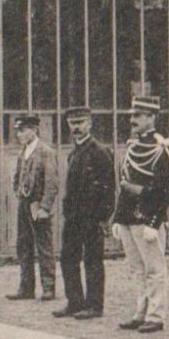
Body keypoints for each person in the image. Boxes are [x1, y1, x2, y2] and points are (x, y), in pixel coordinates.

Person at [110, 95, 169, 334]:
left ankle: (156, 316)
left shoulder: (161, 151)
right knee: (137, 270)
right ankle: (141, 312)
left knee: (154, 270)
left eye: (138, 116)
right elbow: (123, 185)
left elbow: (166, 191)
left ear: (151, 118)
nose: (132, 120)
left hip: (147, 220)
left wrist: (154, 222)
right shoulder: (132, 148)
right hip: (129, 219)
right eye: (132, 116)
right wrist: (118, 218)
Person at [54, 107, 114, 319]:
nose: (76, 128)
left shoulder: (100, 151)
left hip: (92, 217)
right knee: (68, 258)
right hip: (73, 218)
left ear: (90, 124)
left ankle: (95, 305)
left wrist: (104, 217)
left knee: (92, 260)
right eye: (72, 123)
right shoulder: (73, 154)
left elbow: (109, 188)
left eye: (80, 123)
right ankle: (75, 301)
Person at [6, 115, 59, 301]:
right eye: (17, 131)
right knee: (24, 246)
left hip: (38, 205)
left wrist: (44, 207)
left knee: (44, 247)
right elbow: (17, 176)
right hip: (24, 204)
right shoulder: (24, 151)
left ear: (34, 130)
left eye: (22, 130)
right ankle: (26, 288)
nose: (19, 134)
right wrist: (18, 192)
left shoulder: (46, 152)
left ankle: (48, 288)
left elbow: (52, 183)